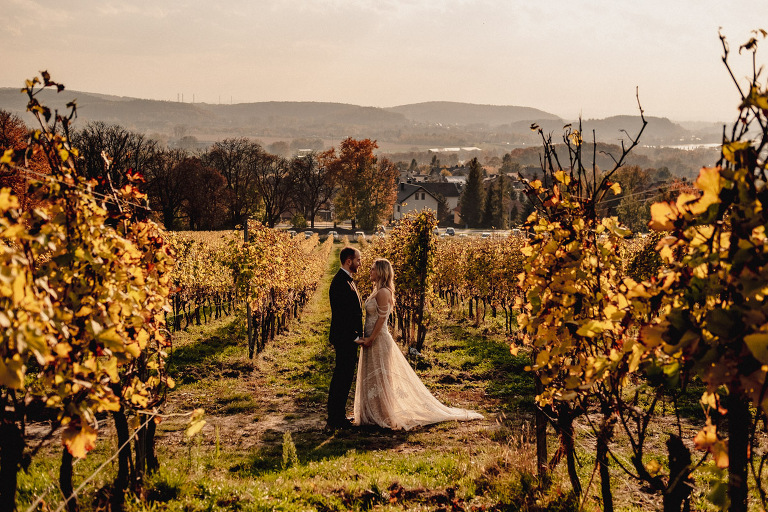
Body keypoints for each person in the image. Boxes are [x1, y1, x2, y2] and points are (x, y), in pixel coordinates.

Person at [354, 258, 483, 430]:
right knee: (374, 376)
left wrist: (370, 339)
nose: (369, 271)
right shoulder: (376, 291)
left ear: (381, 272)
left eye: (373, 269)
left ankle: (383, 413)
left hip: (378, 340)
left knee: (382, 377)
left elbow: (382, 319)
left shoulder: (383, 292)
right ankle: (373, 412)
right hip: (371, 339)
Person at [326, 247, 363, 430]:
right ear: (349, 260)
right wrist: (354, 337)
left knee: (344, 377)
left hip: (347, 338)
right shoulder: (340, 282)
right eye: (358, 260)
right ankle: (334, 418)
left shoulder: (346, 280)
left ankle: (338, 415)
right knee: (341, 377)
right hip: (344, 338)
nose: (360, 263)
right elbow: (342, 315)